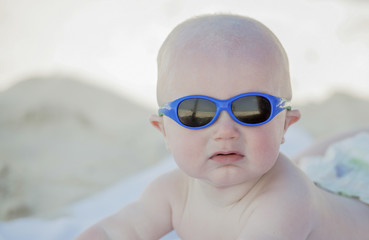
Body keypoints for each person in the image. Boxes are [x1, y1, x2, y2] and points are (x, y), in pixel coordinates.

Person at [75, 14, 369, 239]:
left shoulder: (286, 202)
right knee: (316, 161)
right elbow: (120, 230)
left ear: (285, 126)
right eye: (196, 112)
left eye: (252, 108)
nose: (225, 130)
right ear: (164, 130)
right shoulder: (172, 191)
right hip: (325, 185)